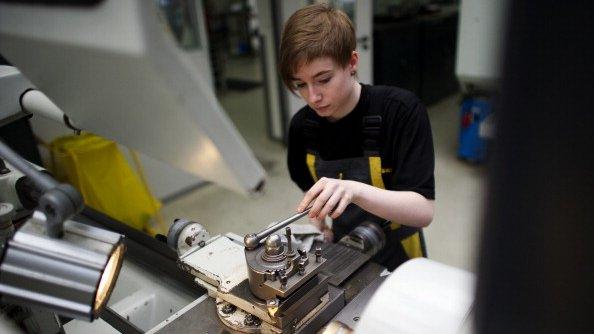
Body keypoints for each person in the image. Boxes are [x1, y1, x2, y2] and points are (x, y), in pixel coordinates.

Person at [280, 4, 435, 270]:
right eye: (300, 84)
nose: (313, 97)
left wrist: (355, 190)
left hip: (399, 254)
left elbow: (423, 212)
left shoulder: (400, 112)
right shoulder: (302, 127)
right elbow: (312, 190)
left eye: (324, 79)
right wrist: (319, 223)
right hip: (342, 248)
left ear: (352, 62)